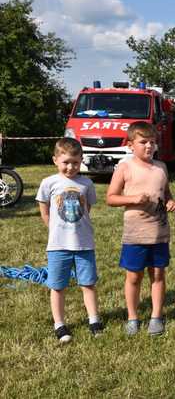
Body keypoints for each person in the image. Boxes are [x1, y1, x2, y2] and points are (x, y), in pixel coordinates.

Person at [106, 122, 175, 335]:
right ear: (130, 145)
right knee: (134, 277)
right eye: (143, 142)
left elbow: (165, 193)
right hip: (135, 235)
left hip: (159, 233)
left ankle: (156, 316)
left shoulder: (161, 167)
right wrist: (133, 199)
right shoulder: (125, 167)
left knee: (157, 274)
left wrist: (171, 202)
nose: (149, 146)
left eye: (153, 142)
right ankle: (133, 317)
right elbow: (110, 198)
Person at [36, 138, 102, 343]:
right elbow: (44, 211)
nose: (70, 167)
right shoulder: (49, 183)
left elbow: (86, 209)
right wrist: (55, 230)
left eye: (75, 162)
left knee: (88, 283)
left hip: (84, 244)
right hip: (58, 246)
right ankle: (60, 324)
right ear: (55, 160)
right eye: (65, 162)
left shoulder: (87, 183)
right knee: (57, 286)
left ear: (81, 160)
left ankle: (94, 320)